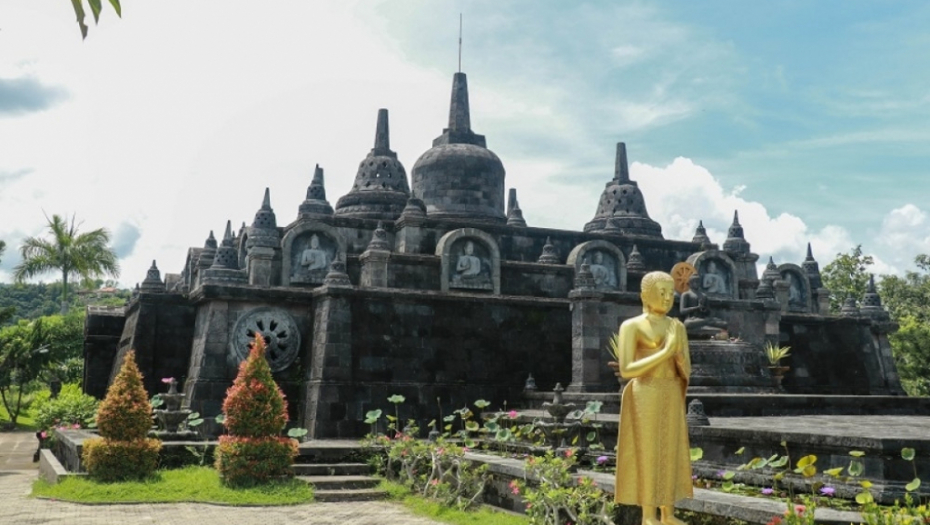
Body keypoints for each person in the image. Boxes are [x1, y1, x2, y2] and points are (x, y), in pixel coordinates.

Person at [607, 271, 692, 525]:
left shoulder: (676, 326)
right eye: (661, 293)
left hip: (671, 390)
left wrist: (678, 356)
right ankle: (648, 515)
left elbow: (686, 368)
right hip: (645, 392)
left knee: (670, 449)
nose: (667, 299)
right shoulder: (632, 326)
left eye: (670, 293)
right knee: (648, 452)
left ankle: (668, 512)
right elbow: (627, 370)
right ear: (645, 295)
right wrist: (666, 351)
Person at [679, 274, 727, 338]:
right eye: (694, 281)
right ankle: (707, 323)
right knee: (687, 324)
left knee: (724, 324)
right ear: (690, 283)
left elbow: (708, 312)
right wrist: (697, 308)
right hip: (692, 320)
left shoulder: (703, 296)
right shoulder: (686, 294)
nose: (696, 283)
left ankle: (707, 323)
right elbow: (682, 311)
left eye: (698, 282)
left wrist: (704, 309)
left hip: (702, 318)